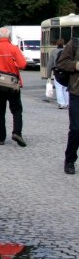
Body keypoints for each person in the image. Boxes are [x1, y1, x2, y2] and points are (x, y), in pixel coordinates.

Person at [0, 26, 28, 146]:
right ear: (9, 37)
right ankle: (17, 132)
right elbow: (23, 64)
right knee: (17, 110)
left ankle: (1, 137)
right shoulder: (14, 49)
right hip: (13, 84)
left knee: (0, 111)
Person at [53, 37, 79, 174]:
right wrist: (76, 65)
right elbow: (61, 63)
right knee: (76, 129)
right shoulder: (75, 43)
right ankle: (70, 160)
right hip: (77, 92)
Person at [49, 39, 68, 109]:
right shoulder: (66, 52)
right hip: (66, 72)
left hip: (57, 72)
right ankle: (67, 103)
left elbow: (50, 64)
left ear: (56, 44)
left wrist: (48, 76)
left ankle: (61, 103)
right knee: (66, 87)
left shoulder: (53, 52)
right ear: (64, 44)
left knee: (59, 87)